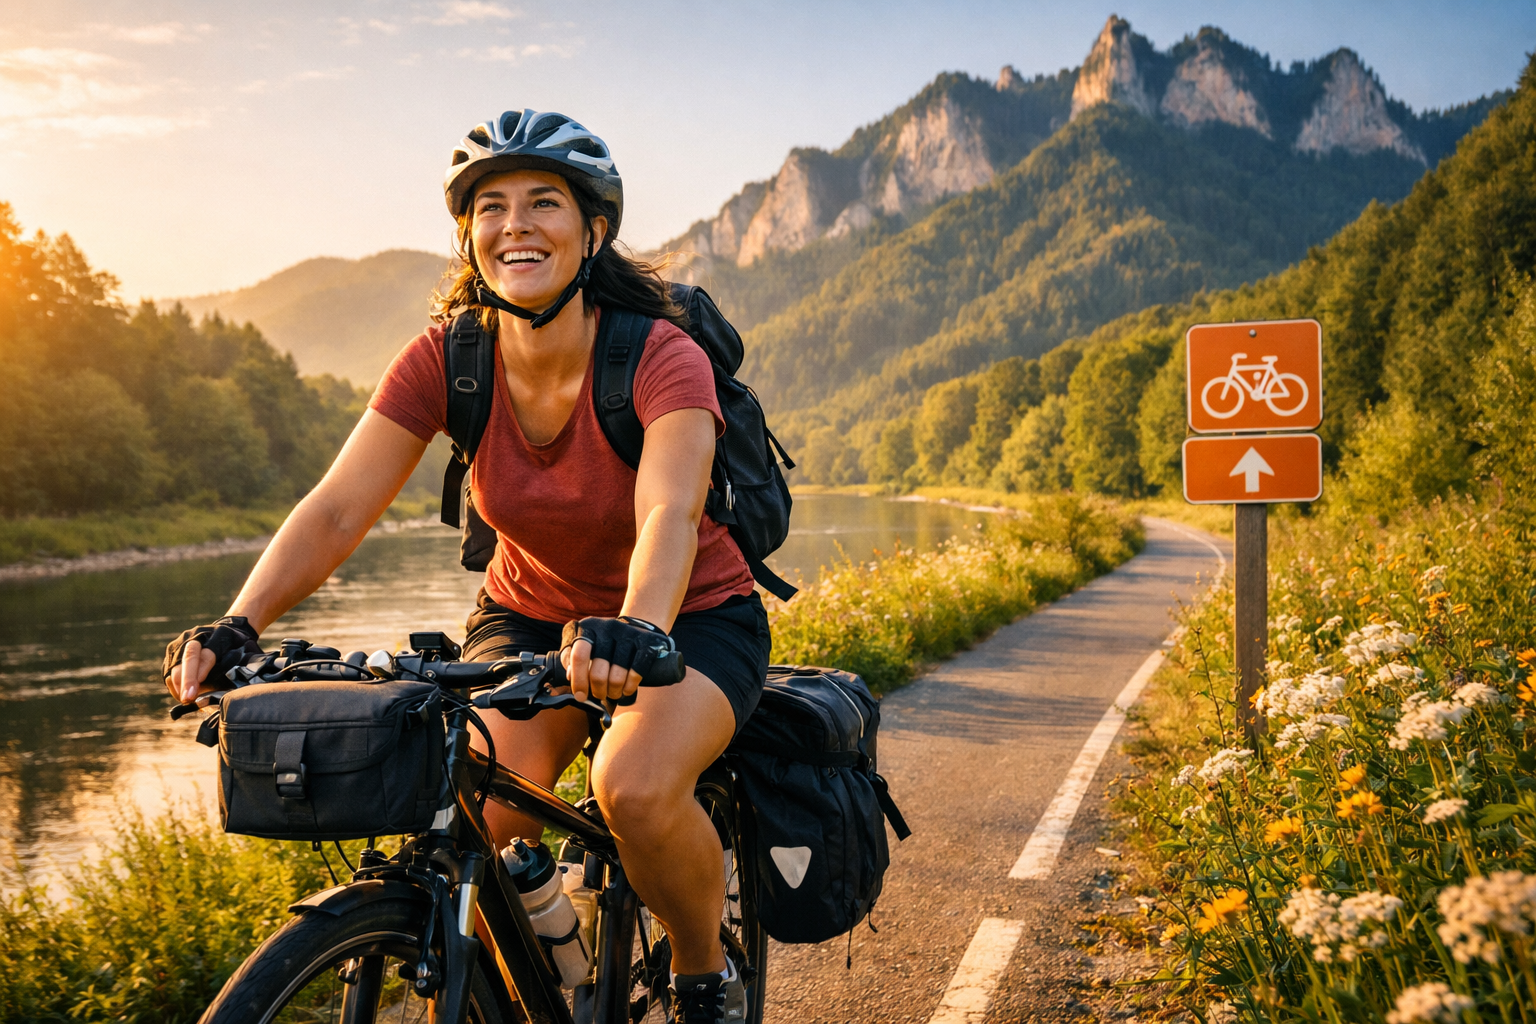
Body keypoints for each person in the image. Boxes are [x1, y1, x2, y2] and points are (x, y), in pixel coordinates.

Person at [163, 108, 768, 1023]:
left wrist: (639, 627)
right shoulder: (448, 359)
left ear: (593, 230)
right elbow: (336, 509)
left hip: (688, 616)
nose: (515, 224)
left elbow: (668, 513)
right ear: (469, 235)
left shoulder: (659, 354)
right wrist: (239, 623)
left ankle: (702, 976)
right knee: (472, 810)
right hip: (530, 615)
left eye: (543, 202)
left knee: (633, 788)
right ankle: (544, 956)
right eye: (491, 207)